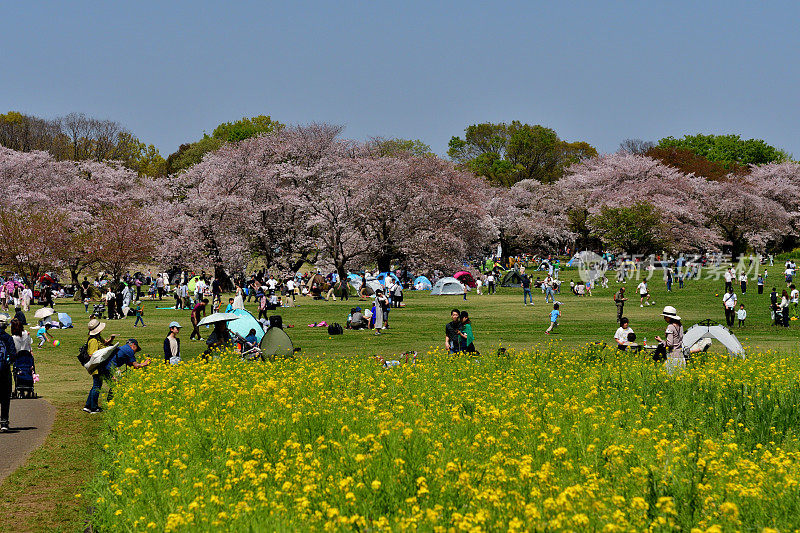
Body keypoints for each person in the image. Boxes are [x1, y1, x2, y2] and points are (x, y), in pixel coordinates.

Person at [85, 338, 149, 413]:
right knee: (115, 385)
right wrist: (144, 364)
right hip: (109, 368)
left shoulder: (123, 349)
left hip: (103, 366)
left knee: (97, 385)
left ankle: (88, 406)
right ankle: (110, 404)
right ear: (133, 345)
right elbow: (135, 365)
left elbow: (129, 363)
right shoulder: (129, 350)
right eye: (136, 349)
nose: (135, 352)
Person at [0, 315, 17, 431]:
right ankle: (4, 422)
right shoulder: (8, 338)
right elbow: (13, 355)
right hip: (4, 371)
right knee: (5, 397)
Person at [655, 306, 684, 372]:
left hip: (673, 356)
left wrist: (661, 341)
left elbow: (670, 344)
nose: (664, 318)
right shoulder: (680, 325)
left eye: (665, 317)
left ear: (669, 317)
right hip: (680, 355)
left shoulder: (670, 327)